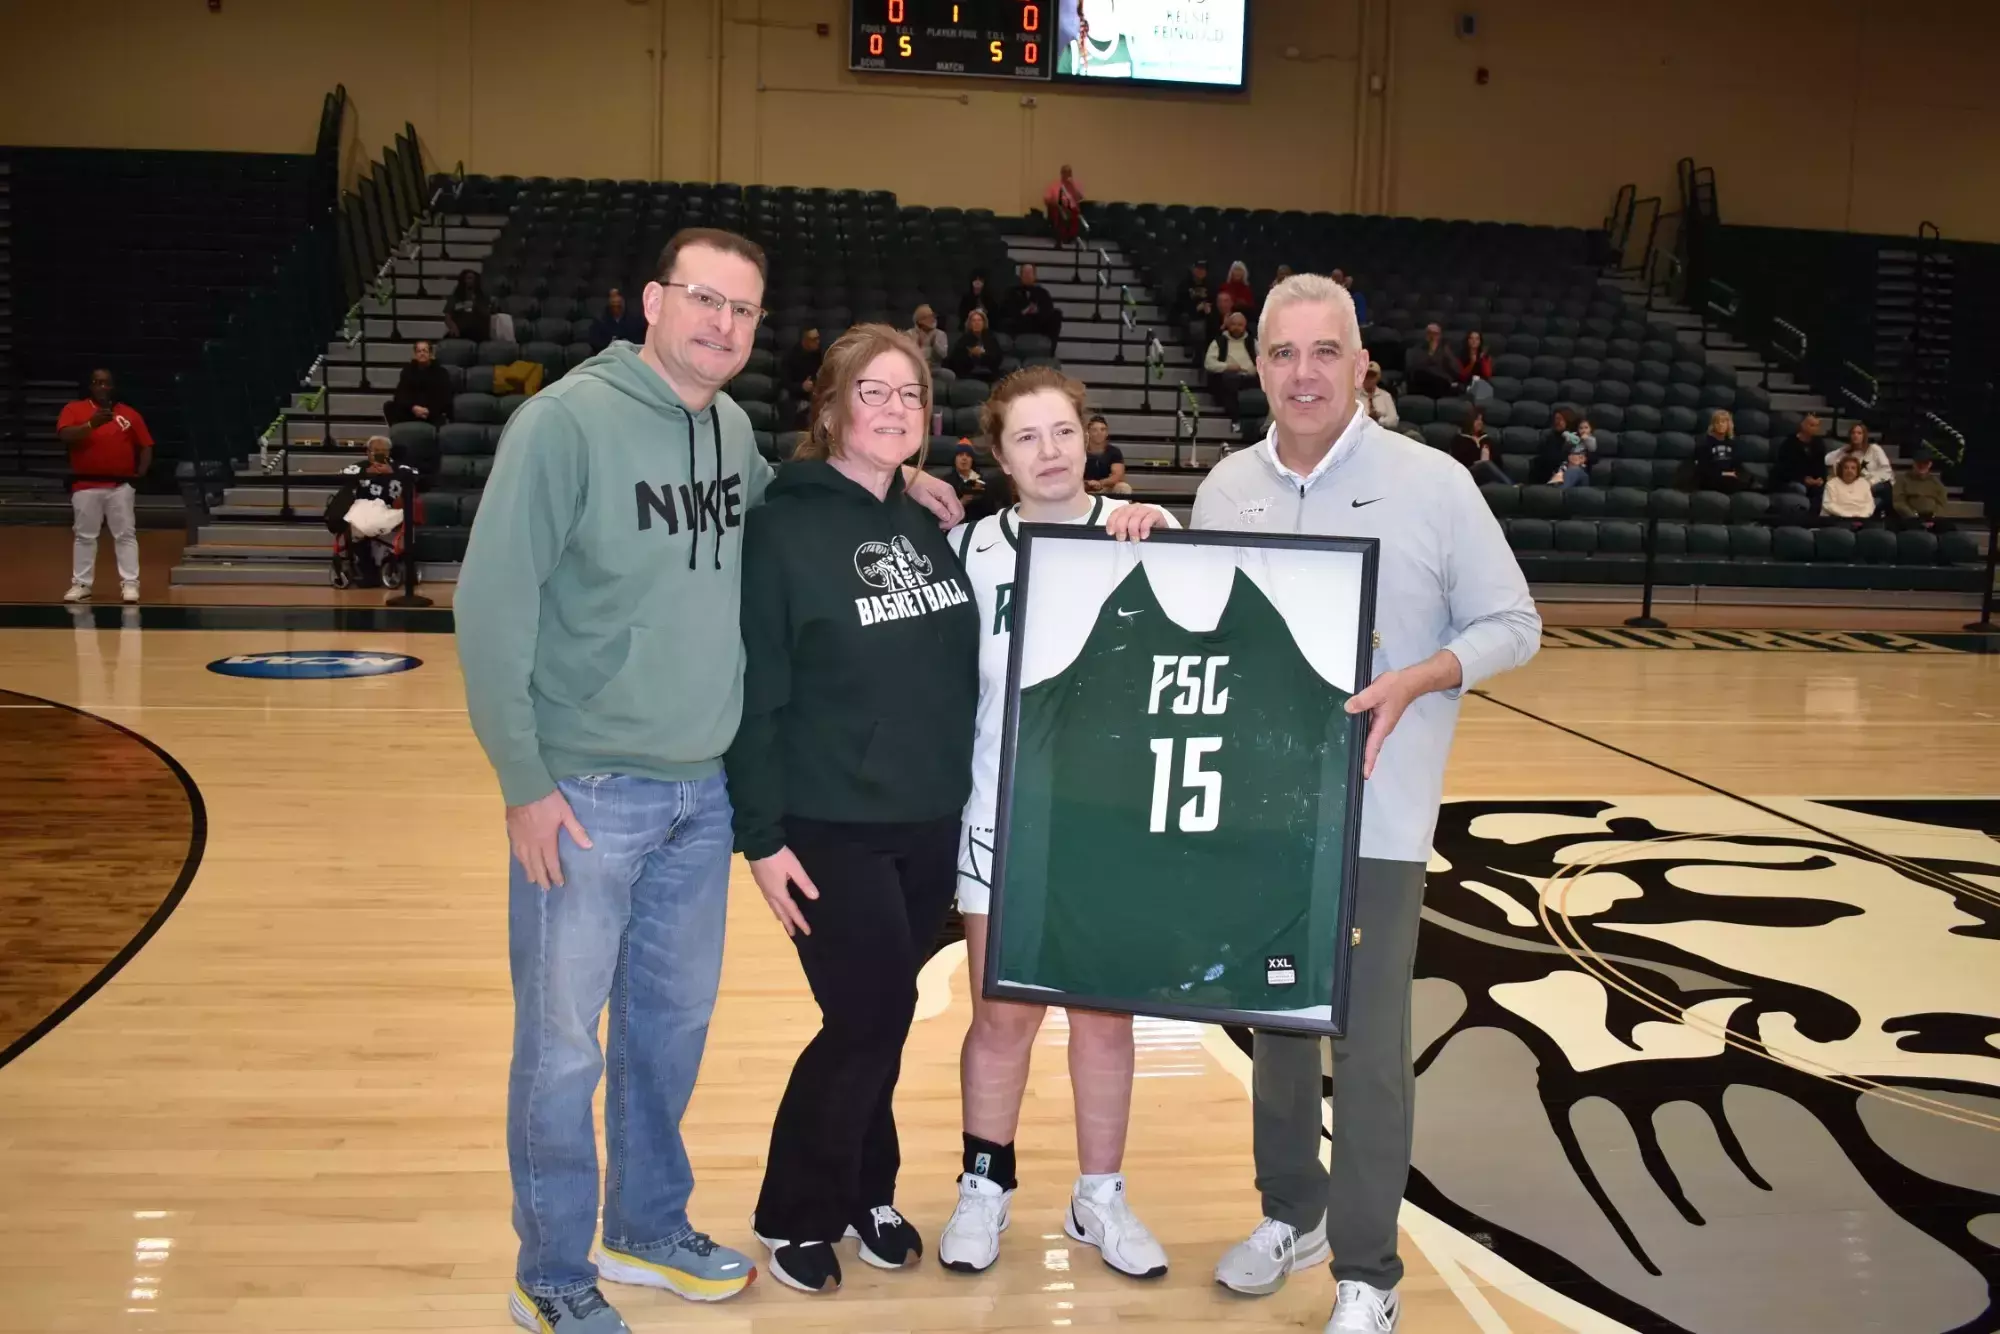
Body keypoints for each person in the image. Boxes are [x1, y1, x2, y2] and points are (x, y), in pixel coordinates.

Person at [455, 228, 962, 1334]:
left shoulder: (728, 430)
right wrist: (522, 776)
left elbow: (806, 502)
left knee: (666, 1031)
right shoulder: (563, 423)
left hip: (700, 793)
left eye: (742, 309)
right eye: (702, 299)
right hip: (585, 790)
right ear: (650, 300)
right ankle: (549, 1271)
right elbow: (490, 604)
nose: (721, 324)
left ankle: (645, 1224)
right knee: (559, 1046)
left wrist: (900, 480)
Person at [1193, 273, 1540, 1334]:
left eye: (1323, 352)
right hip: (1260, 814)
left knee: (1369, 1038)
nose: (1302, 372)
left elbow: (1511, 622)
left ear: (1359, 365)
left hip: (1379, 819)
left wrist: (1421, 674)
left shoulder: (1431, 483)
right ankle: (1289, 1211)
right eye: (1282, 352)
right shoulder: (1225, 488)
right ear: (1256, 365)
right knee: (1275, 1024)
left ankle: (1366, 1269)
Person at [725, 324, 979, 1296]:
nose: (891, 409)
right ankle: (795, 1207)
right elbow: (755, 695)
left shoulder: (927, 519)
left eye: (908, 394)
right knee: (871, 1010)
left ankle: (868, 1187)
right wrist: (758, 838)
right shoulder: (781, 530)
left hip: (927, 818)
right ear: (828, 405)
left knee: (874, 1012)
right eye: (870, 392)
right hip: (827, 819)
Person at [940, 365, 1175, 1279]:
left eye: (1064, 433)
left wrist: (1162, 536)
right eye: (1028, 437)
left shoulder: (1147, 536)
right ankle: (984, 1185)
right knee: (1003, 1016)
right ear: (997, 455)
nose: (1050, 452)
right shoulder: (965, 553)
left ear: (1090, 438)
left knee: (1106, 1021)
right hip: (1000, 815)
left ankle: (1098, 1197)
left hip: (1111, 827)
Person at [57, 368, 151, 604]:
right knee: (84, 536)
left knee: (125, 535)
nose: (102, 386)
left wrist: (140, 472)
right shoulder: (74, 409)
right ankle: (81, 584)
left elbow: (146, 445)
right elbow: (65, 435)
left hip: (120, 486)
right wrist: (91, 424)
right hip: (85, 484)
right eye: (97, 382)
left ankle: (130, 584)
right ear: (90, 386)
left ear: (113, 386)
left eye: (106, 382)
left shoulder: (129, 414)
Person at [322, 435, 417, 587]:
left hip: (389, 510)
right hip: (361, 510)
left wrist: (391, 472)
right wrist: (366, 473)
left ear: (389, 452)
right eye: (376, 451)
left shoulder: (400, 468)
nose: (380, 454)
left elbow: (418, 476)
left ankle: (393, 562)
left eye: (383, 451)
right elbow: (339, 475)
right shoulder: (359, 468)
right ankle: (366, 568)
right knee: (352, 523)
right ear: (368, 452)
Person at [1826, 422, 1893, 515]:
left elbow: (1886, 471)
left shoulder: (1874, 449)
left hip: (1875, 483)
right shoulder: (1847, 452)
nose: (1855, 435)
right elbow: (1828, 459)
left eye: (1859, 433)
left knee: (1885, 488)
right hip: (1856, 486)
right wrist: (1842, 449)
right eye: (1853, 433)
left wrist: (1870, 482)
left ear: (1864, 436)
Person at [384, 339, 454, 426]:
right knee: (389, 406)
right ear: (415, 355)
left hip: (431, 413)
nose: (422, 354)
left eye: (424, 351)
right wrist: (413, 408)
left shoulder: (441, 372)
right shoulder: (407, 371)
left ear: (431, 354)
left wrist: (429, 410)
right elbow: (400, 394)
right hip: (412, 411)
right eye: (419, 351)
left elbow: (444, 396)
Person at [1204, 309, 1258, 420]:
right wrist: (1227, 367)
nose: (1236, 328)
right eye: (1233, 324)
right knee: (1230, 382)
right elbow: (1209, 364)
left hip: (1250, 377)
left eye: (1240, 325)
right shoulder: (1219, 342)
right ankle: (1236, 420)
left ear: (1245, 326)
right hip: (1228, 377)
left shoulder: (1253, 342)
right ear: (1228, 325)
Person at [1769, 412, 1827, 511]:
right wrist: (1803, 479)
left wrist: (1820, 479)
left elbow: (1821, 466)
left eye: (1816, 426)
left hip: (1813, 482)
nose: (1814, 428)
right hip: (1792, 481)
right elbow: (1784, 469)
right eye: (1811, 425)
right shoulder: (1789, 443)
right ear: (1802, 425)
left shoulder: (1819, 444)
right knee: (1800, 488)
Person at [997, 263, 1062, 347]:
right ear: (1020, 276)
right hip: (1019, 324)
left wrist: (1036, 312)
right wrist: (1023, 312)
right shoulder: (1011, 292)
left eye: (1030, 273)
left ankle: (1050, 349)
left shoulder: (1042, 293)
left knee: (1056, 314)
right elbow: (1005, 310)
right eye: (1025, 273)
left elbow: (1048, 310)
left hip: (1037, 323)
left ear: (1035, 276)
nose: (1027, 275)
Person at [1892, 450, 1951, 530]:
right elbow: (1898, 502)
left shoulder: (1936, 483)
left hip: (1932, 518)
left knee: (1948, 528)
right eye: (1919, 463)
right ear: (1914, 463)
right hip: (1911, 517)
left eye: (1925, 463)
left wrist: (1933, 517)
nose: (1922, 466)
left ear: (1930, 465)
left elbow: (1942, 503)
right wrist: (1914, 515)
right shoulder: (1903, 480)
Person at [1449, 404, 1508, 484]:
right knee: (1484, 465)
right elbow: (1457, 461)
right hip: (1467, 473)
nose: (1480, 423)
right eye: (1477, 420)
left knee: (1486, 464)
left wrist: (1488, 457)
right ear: (1470, 421)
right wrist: (1477, 462)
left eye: (1481, 420)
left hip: (1486, 474)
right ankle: (1511, 485)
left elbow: (1498, 462)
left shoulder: (1486, 439)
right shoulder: (1459, 439)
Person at [1694, 408, 1748, 492]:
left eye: (1723, 422)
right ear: (1713, 425)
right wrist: (1723, 473)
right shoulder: (1705, 442)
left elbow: (1737, 463)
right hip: (1712, 478)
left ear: (1728, 424)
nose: (1720, 425)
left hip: (1730, 477)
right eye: (1717, 422)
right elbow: (1703, 466)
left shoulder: (1733, 443)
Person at [782, 327, 825, 427]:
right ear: (804, 341)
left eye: (818, 338)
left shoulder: (818, 353)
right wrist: (802, 387)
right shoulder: (790, 357)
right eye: (814, 339)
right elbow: (785, 383)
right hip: (795, 396)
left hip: (814, 394)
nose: (818, 342)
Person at [947, 310, 1004, 382]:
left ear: (984, 323)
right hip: (969, 373)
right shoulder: (963, 339)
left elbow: (998, 358)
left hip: (989, 372)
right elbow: (955, 360)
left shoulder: (991, 338)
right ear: (970, 324)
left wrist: (983, 354)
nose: (977, 323)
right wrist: (970, 354)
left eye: (979, 320)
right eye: (974, 321)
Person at [1405, 322, 1458, 397]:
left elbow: (1456, 370)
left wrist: (1447, 354)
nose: (1432, 337)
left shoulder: (1446, 351)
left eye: (1436, 334)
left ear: (1440, 336)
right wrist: (1431, 353)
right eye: (1430, 333)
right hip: (1422, 386)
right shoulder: (1415, 350)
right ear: (1426, 335)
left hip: (1442, 387)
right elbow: (1413, 369)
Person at [587, 287, 647, 351]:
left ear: (624, 301)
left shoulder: (636, 321)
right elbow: (595, 342)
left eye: (618, 305)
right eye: (613, 305)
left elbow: (640, 341)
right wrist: (611, 343)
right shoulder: (599, 321)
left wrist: (626, 344)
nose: (615, 301)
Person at [1822, 454, 1878, 524]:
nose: (1849, 471)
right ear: (1841, 470)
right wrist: (1849, 515)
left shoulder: (1864, 483)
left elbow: (1870, 504)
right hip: (1837, 519)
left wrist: (1861, 516)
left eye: (1853, 468)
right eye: (1846, 468)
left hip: (1861, 519)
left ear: (1857, 471)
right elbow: (1828, 505)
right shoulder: (1831, 484)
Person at [1082, 414, 1130, 495]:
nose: (1099, 433)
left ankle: (1123, 508)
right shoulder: (1080, 451)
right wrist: (1087, 483)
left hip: (1105, 488)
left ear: (1107, 433)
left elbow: (1117, 475)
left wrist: (1100, 483)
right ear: (1088, 432)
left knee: (1123, 487)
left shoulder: (1114, 451)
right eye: (1094, 430)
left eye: (1102, 429)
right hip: (1084, 489)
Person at [949, 443, 998, 522]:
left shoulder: (982, 481)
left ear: (972, 460)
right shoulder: (947, 482)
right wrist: (962, 502)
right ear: (954, 459)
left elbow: (991, 512)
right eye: (960, 455)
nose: (964, 458)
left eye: (968, 456)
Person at [443, 269, 492, 341]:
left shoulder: (482, 297)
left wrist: (476, 305)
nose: (470, 281)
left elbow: (487, 314)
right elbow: (447, 317)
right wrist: (453, 327)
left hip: (478, 332)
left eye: (472, 278)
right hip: (460, 331)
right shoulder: (455, 297)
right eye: (468, 278)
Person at [1044, 164, 1085, 244]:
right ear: (1062, 174)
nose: (1067, 175)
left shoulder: (1076, 185)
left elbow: (1080, 199)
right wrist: (1056, 203)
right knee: (1060, 213)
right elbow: (1046, 199)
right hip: (1059, 207)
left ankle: (1071, 236)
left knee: (1073, 213)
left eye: (1069, 173)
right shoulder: (1054, 185)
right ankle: (1062, 236)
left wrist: (1072, 186)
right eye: (1065, 173)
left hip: (1072, 208)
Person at [1171, 260, 1214, 330]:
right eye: (1199, 269)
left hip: (1205, 317)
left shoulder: (1210, 285)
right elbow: (1180, 303)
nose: (1201, 271)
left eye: (1203, 269)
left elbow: (1212, 300)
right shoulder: (1184, 285)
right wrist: (1195, 309)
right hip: (1188, 316)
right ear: (1193, 269)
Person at [906, 304, 949, 370]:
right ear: (919, 321)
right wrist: (917, 345)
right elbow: (907, 355)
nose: (932, 319)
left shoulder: (940, 334)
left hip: (934, 368)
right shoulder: (909, 334)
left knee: (949, 375)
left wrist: (934, 345)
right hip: (914, 368)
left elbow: (943, 355)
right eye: (928, 317)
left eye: (933, 316)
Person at [1360, 362, 1398, 429]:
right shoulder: (1354, 396)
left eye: (1372, 376)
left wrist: (1379, 420)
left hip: (1383, 433)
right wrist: (1368, 419)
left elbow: (1394, 421)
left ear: (1378, 378)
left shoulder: (1386, 396)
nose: (1369, 379)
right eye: (1366, 376)